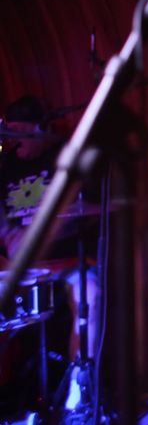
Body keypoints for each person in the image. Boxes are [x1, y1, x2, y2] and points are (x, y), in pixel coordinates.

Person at [0, 95, 100, 361]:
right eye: (8, 131)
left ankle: (78, 382)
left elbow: (88, 209)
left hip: (66, 261)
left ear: (40, 128)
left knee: (90, 295)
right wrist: (9, 237)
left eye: (19, 131)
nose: (11, 138)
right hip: (17, 267)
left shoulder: (65, 158)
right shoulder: (5, 165)